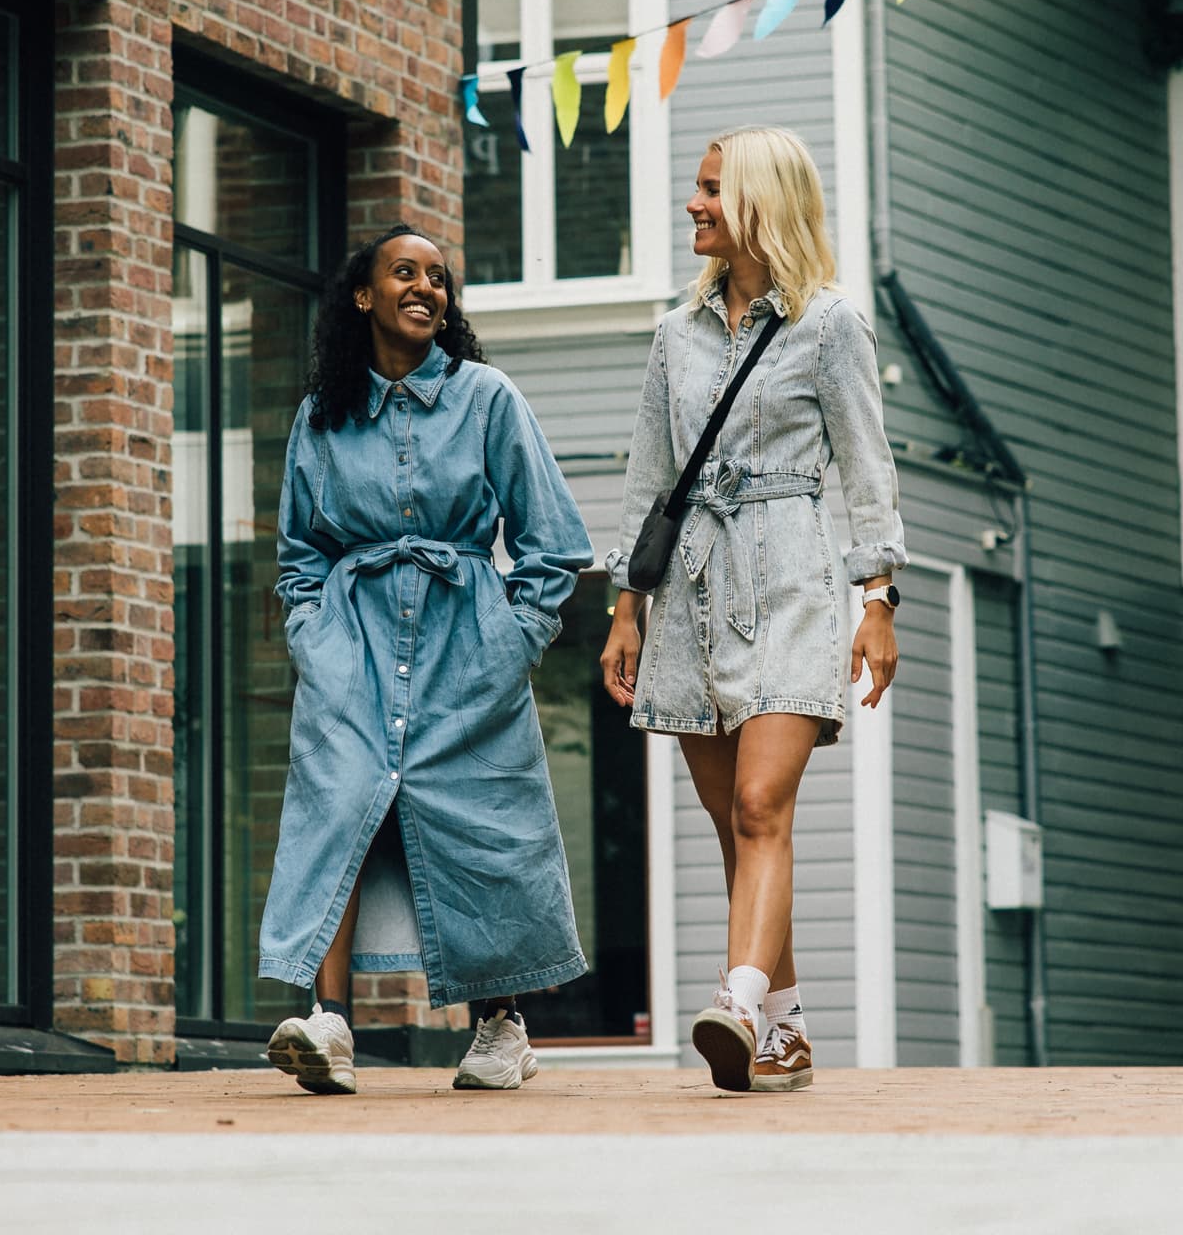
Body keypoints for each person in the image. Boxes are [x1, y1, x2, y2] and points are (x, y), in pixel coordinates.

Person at [258, 223, 594, 1095]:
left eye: (438, 279)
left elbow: (554, 545)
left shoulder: (488, 399)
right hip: (352, 649)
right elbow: (300, 555)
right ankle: (330, 1023)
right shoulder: (322, 415)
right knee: (336, 808)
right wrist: (314, 638)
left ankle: (501, 1024)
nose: (425, 288)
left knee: (485, 818)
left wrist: (511, 640)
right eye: (403, 273)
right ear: (362, 296)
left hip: (466, 645)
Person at [601, 127, 903, 1093]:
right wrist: (625, 608)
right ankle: (786, 1026)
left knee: (763, 803)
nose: (692, 205)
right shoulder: (671, 335)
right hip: (691, 585)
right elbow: (650, 476)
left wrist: (878, 597)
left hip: (792, 584)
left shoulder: (830, 326)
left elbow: (867, 468)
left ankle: (735, 997)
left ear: (760, 202)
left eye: (709, 190)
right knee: (735, 827)